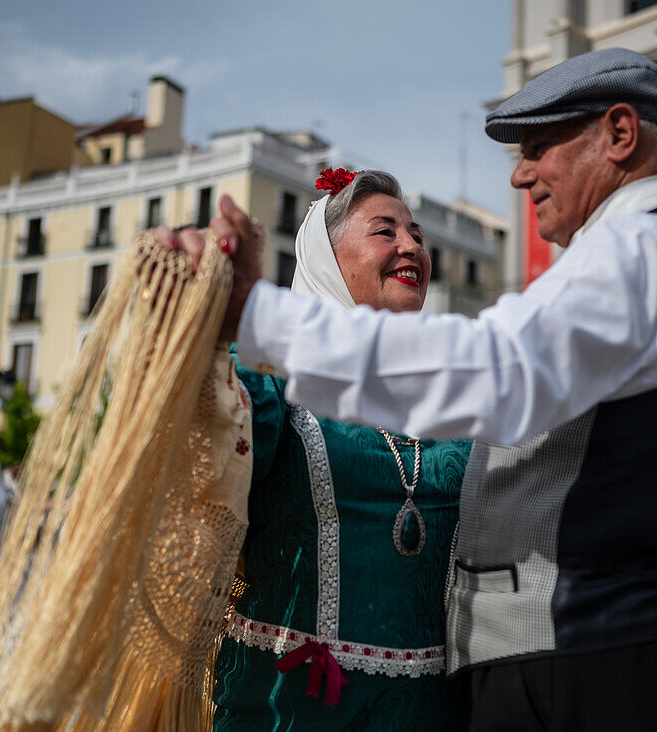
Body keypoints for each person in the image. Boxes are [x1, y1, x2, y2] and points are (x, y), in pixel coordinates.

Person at [175, 47, 657, 730]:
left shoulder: (645, 253)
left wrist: (259, 312)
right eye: (383, 230)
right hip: (489, 674)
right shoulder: (650, 256)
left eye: (540, 146)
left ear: (619, 135)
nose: (520, 174)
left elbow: (496, 370)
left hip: (599, 661)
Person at [210, 170, 471, 730]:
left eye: (417, 235)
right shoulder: (272, 379)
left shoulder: (452, 395)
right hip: (291, 710)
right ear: (327, 259)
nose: (411, 246)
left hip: (430, 715)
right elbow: (203, 433)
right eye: (386, 231)